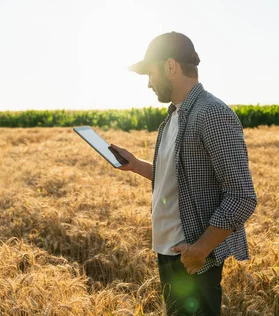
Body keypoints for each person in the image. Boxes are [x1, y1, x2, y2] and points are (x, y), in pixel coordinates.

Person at [110, 32, 257, 315]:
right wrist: (135, 164)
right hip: (168, 252)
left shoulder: (211, 113)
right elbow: (183, 178)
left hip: (191, 258)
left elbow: (242, 196)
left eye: (150, 74)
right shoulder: (174, 117)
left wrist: (200, 249)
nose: (149, 83)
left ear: (170, 66)